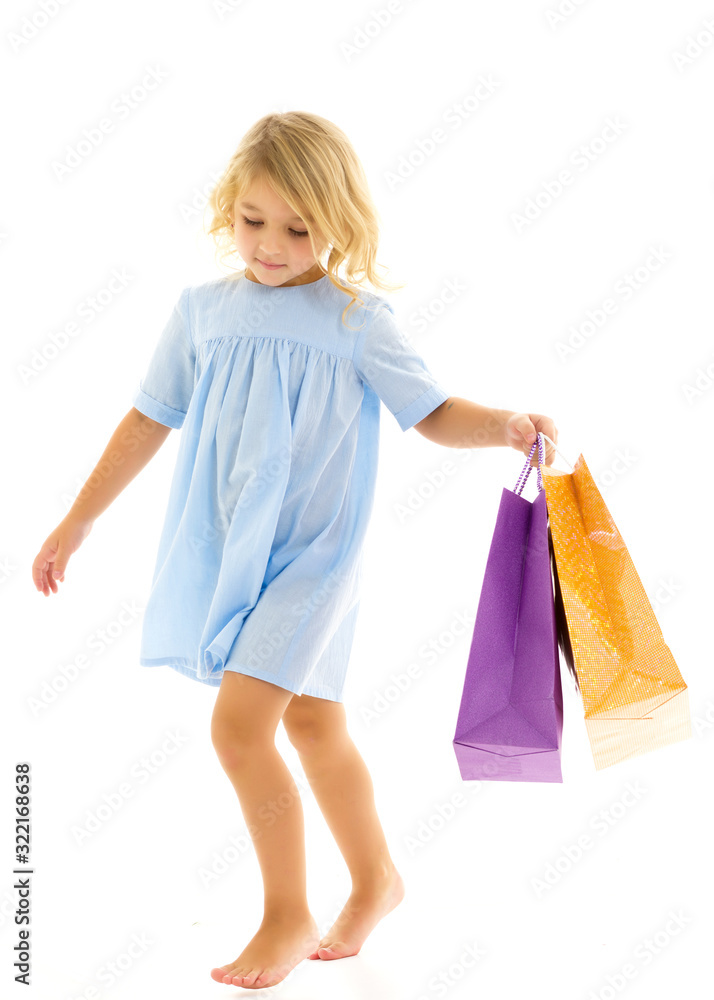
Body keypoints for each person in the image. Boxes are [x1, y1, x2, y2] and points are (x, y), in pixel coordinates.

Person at [32, 111, 559, 990]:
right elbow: (149, 416)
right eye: (253, 220)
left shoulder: (357, 321)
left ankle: (287, 912)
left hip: (315, 561)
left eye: (299, 228)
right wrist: (77, 520)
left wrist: (504, 424)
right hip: (230, 552)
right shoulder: (202, 312)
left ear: (338, 223)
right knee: (314, 723)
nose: (271, 245)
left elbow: (431, 412)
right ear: (227, 209)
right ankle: (378, 879)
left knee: (239, 730)